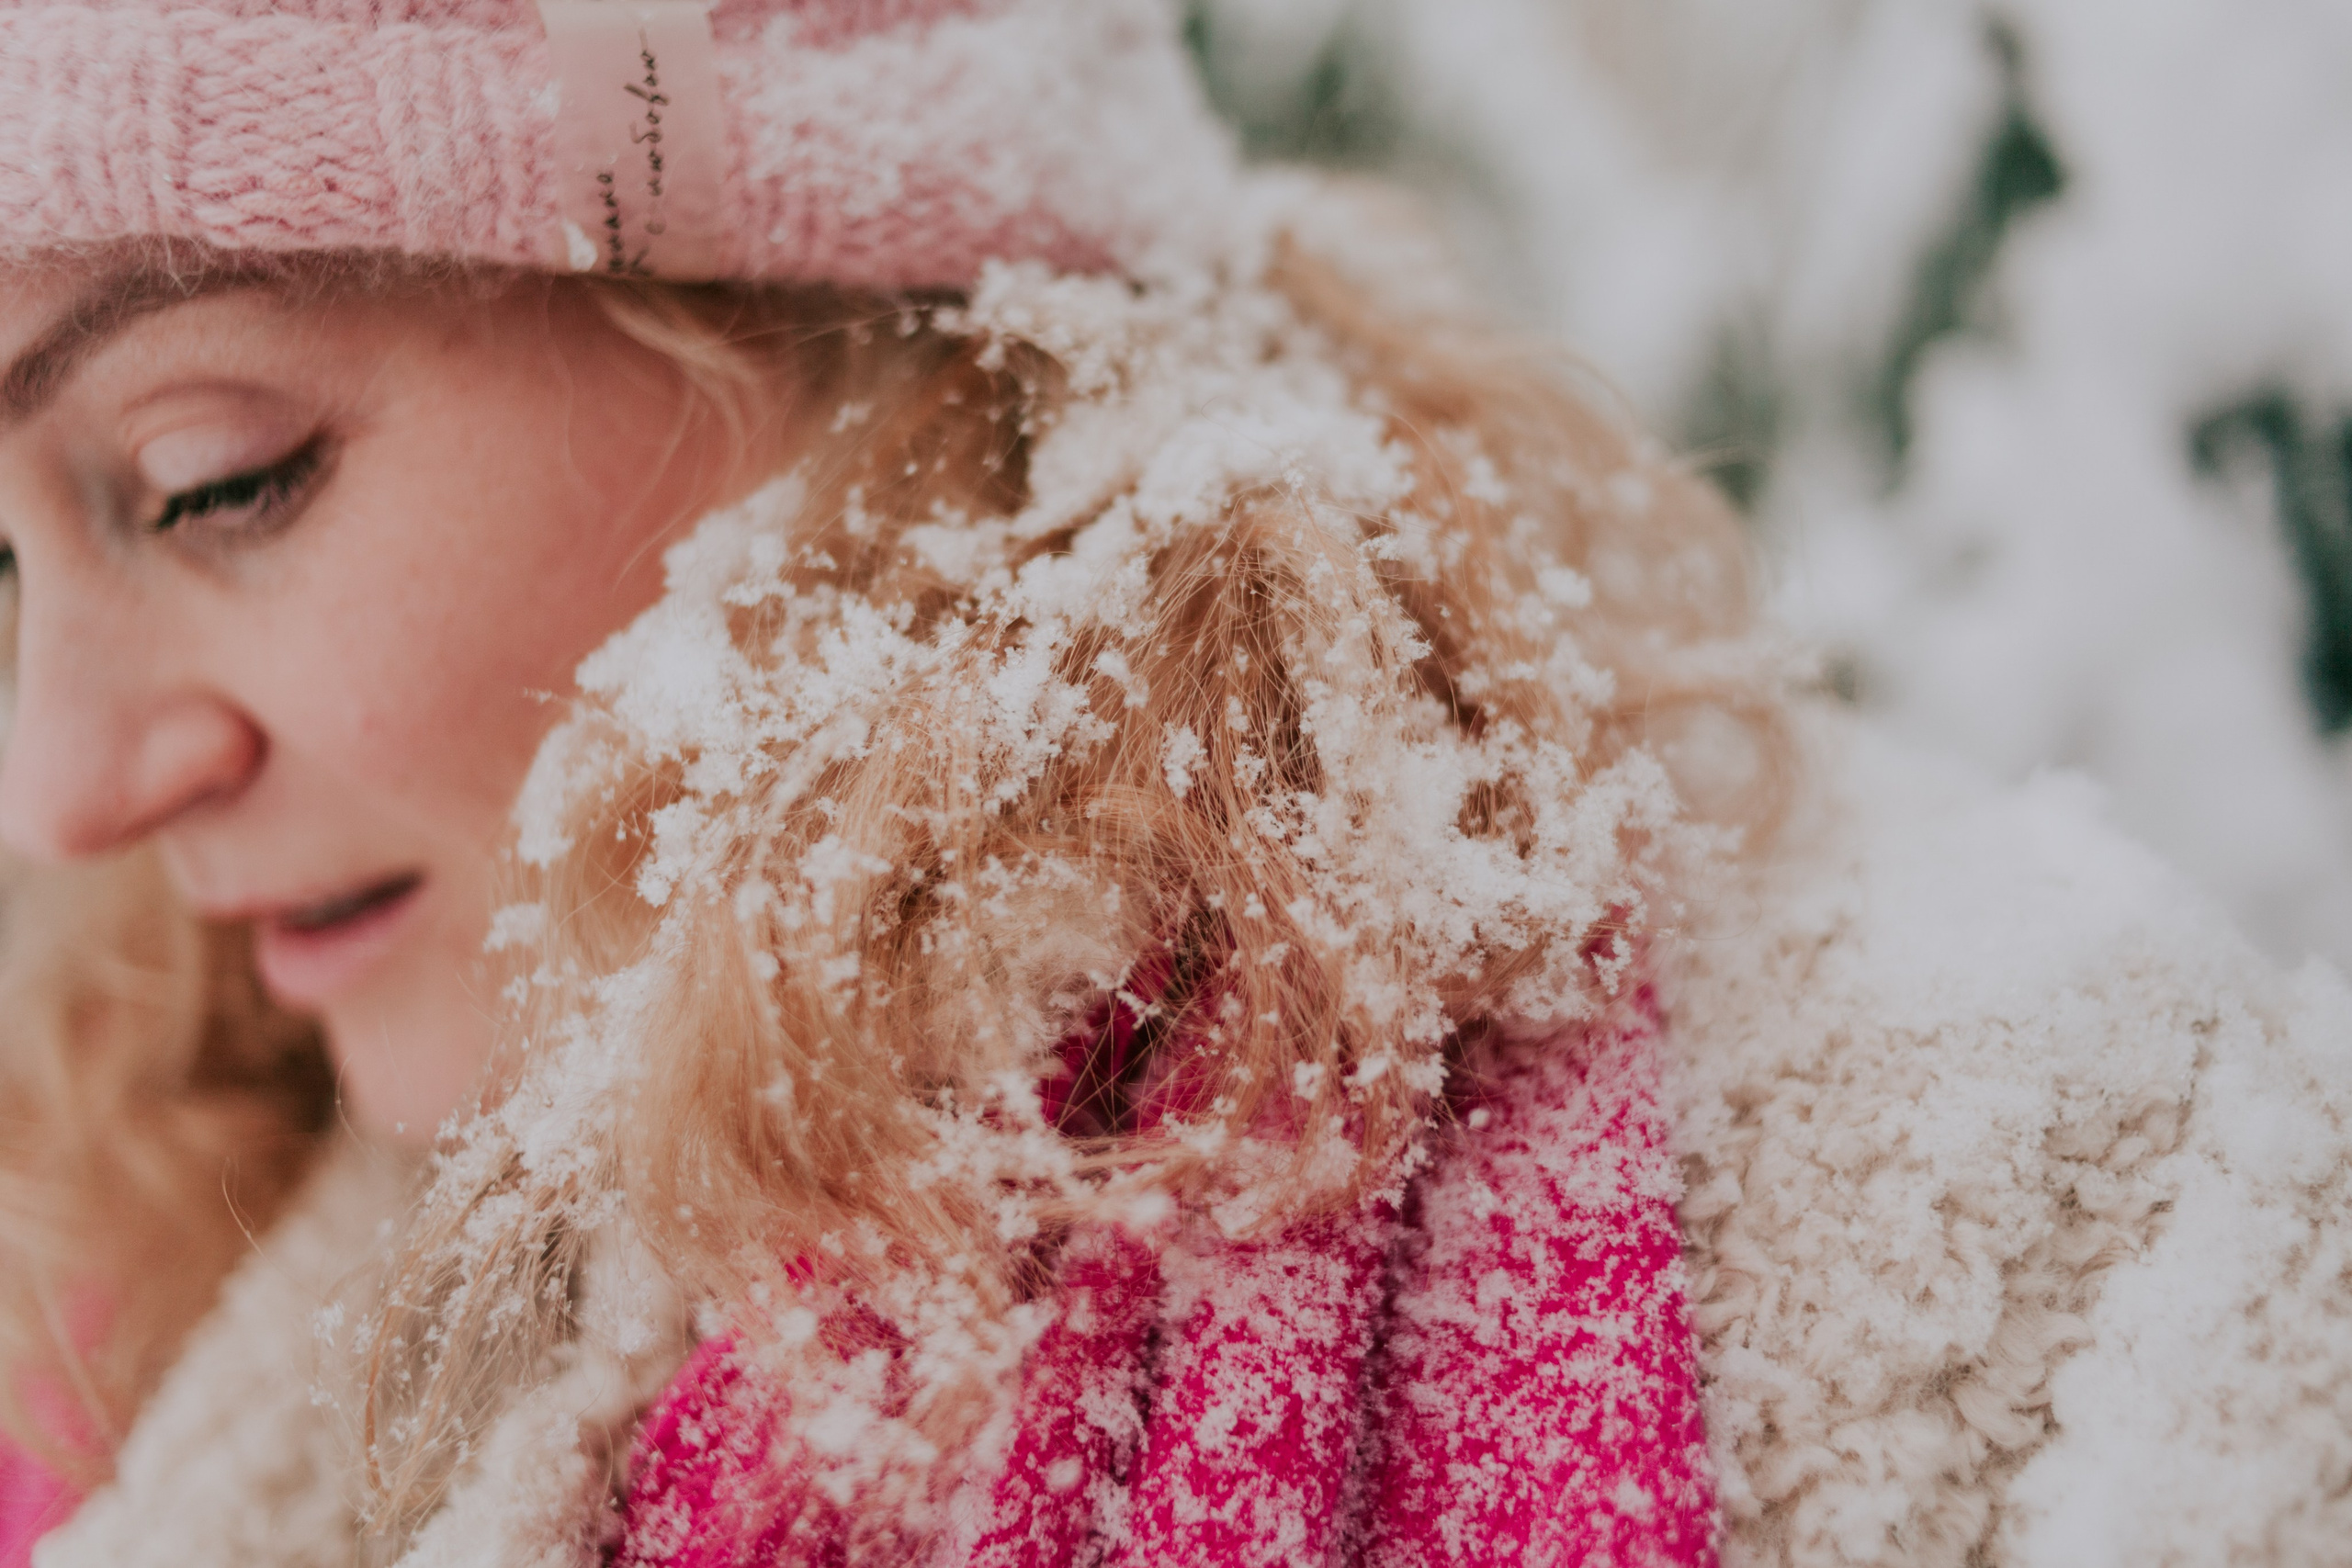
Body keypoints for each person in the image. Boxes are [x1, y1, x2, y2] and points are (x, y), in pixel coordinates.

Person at [0, 5, 2346, 1567]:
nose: (69, 780)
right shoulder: (175, 1311)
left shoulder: (2053, 1191)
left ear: (844, 315)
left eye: (212, 478)